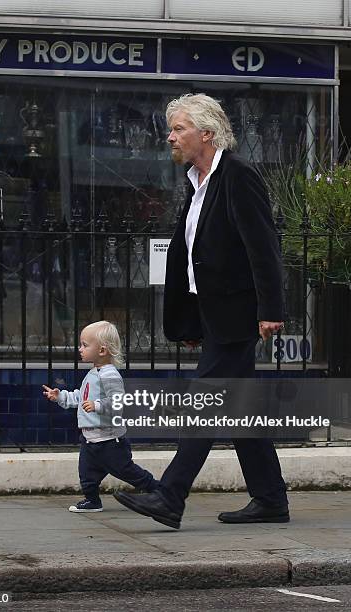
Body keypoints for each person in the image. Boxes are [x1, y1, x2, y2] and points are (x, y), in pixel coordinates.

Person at [114, 93, 288, 529]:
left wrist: (271, 309)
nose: (170, 137)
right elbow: (193, 257)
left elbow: (263, 247)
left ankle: (170, 496)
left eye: (178, 129)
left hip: (238, 315)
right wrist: (192, 320)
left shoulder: (238, 176)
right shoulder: (195, 181)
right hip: (214, 315)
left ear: (207, 134)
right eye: (171, 129)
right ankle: (270, 499)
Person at [43, 320, 158, 512]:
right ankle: (92, 501)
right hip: (90, 438)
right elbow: (81, 396)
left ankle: (158, 489)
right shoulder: (93, 373)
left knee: (126, 470)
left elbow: (118, 401)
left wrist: (97, 405)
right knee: (87, 473)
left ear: (102, 351)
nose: (80, 349)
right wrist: (60, 396)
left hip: (109, 440)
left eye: (85, 345)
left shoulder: (109, 375)